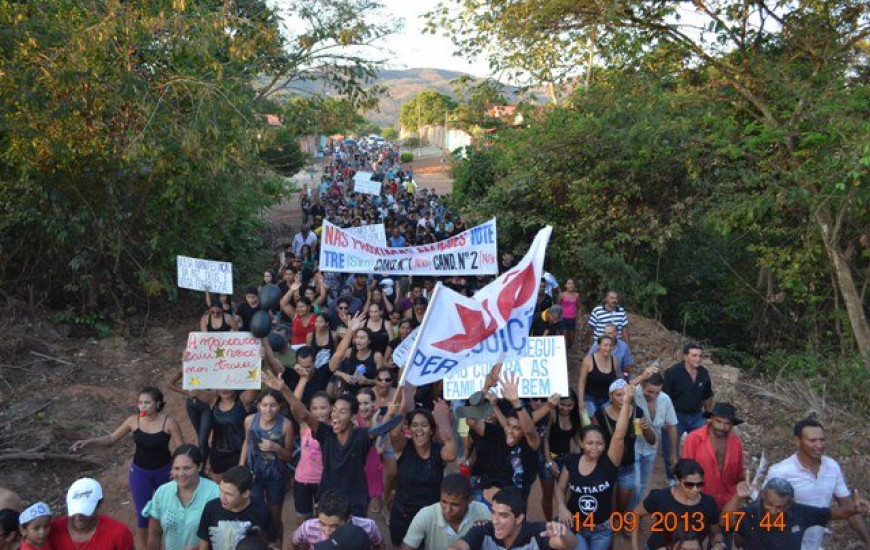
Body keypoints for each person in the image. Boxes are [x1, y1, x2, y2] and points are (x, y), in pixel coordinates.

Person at [69, 387, 183, 548]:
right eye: (140, 402)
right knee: (143, 514)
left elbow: (181, 450)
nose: (142, 406)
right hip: (140, 473)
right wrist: (88, 442)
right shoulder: (133, 420)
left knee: (168, 512)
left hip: (164, 472)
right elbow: (110, 438)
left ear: (157, 403)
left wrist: (178, 471)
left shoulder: (169, 422)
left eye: (147, 403)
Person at [266, 366, 383, 518]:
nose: (335, 415)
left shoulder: (362, 436)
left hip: (355, 501)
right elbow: (302, 412)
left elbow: (387, 425)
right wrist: (284, 389)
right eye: (334, 410)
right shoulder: (325, 433)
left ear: (354, 417)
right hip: (328, 500)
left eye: (342, 412)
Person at [764, 416, 870, 549]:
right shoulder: (781, 471)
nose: (819, 445)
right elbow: (762, 511)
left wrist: (867, 540)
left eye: (821, 440)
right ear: (797, 441)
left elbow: (848, 506)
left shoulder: (832, 467)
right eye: (812, 440)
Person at [555, 384, 634, 550]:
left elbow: (618, 436)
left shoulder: (610, 462)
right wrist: (561, 507)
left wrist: (626, 403)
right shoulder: (571, 461)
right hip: (575, 527)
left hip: (602, 530)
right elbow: (561, 488)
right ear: (582, 444)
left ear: (605, 445)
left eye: (599, 443)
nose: (594, 447)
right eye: (589, 443)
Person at [723, 476, 870, 550]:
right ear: (762, 496)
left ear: (789, 504)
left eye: (780, 507)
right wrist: (737, 497)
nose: (773, 510)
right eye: (769, 504)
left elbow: (831, 514)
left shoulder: (799, 512)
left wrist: (854, 509)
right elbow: (725, 522)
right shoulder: (750, 513)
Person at [387, 402, 458, 547]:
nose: (419, 429)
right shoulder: (403, 446)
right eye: (414, 425)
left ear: (432, 430)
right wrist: (403, 407)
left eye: (424, 425)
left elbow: (451, 455)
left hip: (431, 518)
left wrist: (444, 423)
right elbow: (393, 433)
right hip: (403, 515)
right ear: (409, 429)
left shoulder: (438, 451)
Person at [467, 372, 541, 505]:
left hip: (512, 509)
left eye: (517, 428)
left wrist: (516, 402)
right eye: (508, 425)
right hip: (484, 502)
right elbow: (471, 421)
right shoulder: (497, 433)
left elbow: (530, 431)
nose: (510, 431)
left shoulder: (530, 444)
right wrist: (484, 390)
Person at [631, 459, 724, 550]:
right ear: (677, 479)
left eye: (699, 484)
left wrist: (718, 544)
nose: (695, 489)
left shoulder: (708, 503)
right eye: (689, 484)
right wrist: (635, 547)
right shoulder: (660, 497)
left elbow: (714, 534)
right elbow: (636, 514)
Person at [239, 389, 294, 541]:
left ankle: (277, 545)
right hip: (254, 474)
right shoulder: (250, 420)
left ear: (280, 406)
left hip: (276, 476)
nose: (268, 410)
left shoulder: (286, 425)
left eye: (273, 405)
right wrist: (241, 466)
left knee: (275, 515)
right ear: (258, 405)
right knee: (256, 513)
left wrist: (276, 448)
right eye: (264, 405)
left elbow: (289, 456)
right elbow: (247, 442)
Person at [448, 487, 577, 550]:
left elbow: (570, 545)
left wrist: (563, 533)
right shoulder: (483, 531)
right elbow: (460, 546)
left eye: (503, 515)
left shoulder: (537, 532)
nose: (495, 521)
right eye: (493, 513)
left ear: (519, 518)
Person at [144, 445, 220, 550]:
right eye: (176, 468)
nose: (180, 474)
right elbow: (155, 534)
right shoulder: (162, 492)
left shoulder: (215, 493)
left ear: (199, 467)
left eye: (187, 468)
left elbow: (224, 536)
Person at [662, 343, 714, 482]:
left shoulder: (703, 373)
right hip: (676, 415)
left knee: (703, 446)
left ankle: (694, 476)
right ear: (685, 356)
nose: (698, 359)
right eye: (694, 355)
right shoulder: (672, 372)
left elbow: (707, 396)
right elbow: (664, 398)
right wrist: (665, 419)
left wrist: (710, 416)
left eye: (700, 356)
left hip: (697, 415)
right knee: (670, 450)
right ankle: (672, 479)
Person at [399, 474, 491, 550]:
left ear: (469, 501)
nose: (448, 510)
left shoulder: (482, 511)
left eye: (455, 505)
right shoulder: (426, 515)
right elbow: (407, 547)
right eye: (444, 502)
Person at [681, 402, 745, 510]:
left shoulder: (736, 443)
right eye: (718, 421)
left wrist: (743, 485)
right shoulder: (694, 439)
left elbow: (739, 473)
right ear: (711, 418)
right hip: (699, 500)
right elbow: (685, 471)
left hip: (726, 502)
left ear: (732, 424)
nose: (722, 427)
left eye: (727, 423)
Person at [196, 466, 276, 550]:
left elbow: (272, 542)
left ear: (245, 493)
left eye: (229, 494)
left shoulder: (262, 510)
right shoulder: (211, 508)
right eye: (221, 490)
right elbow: (204, 542)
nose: (222, 497)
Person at [632, 371, 678, 510]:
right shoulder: (634, 393)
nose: (653, 395)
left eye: (657, 392)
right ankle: (630, 513)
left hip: (652, 447)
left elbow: (672, 425)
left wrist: (674, 453)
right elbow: (622, 388)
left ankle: (633, 511)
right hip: (632, 446)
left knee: (644, 484)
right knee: (635, 484)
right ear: (642, 386)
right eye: (649, 391)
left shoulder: (665, 399)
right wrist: (640, 377)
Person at [47, 478, 134, 550]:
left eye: (85, 512)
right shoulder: (51, 531)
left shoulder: (118, 534)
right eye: (74, 511)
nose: (78, 517)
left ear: (99, 504)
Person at [290, 490, 384, 550]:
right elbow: (292, 543)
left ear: (349, 519)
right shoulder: (308, 527)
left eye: (334, 526)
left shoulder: (368, 527)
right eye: (322, 524)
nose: (326, 532)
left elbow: (379, 544)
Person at [578, 334, 622, 420]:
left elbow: (618, 381)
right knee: (590, 422)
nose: (608, 348)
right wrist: (580, 401)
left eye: (610, 346)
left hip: (607, 398)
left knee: (605, 421)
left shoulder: (615, 361)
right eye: (605, 345)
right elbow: (582, 381)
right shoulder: (588, 360)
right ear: (598, 346)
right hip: (590, 396)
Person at [556, 278, 581, 349]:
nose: (571, 285)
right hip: (563, 318)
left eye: (572, 283)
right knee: (564, 335)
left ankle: (569, 347)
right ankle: (564, 350)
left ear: (574, 285)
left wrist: (579, 318)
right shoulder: (561, 295)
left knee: (572, 337)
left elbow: (579, 307)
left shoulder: (577, 295)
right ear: (565, 285)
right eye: (569, 283)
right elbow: (558, 306)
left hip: (572, 318)